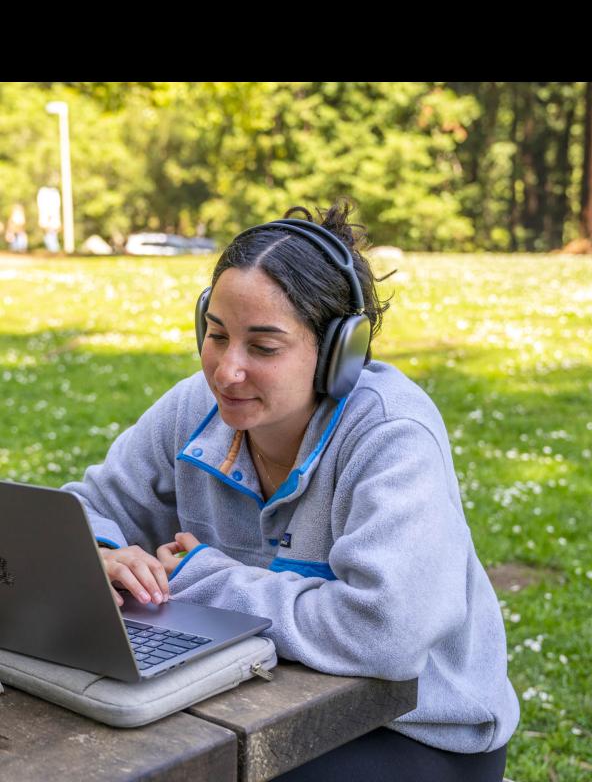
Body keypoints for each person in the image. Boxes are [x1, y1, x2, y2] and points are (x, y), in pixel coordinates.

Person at [62, 198, 519, 781]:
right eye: (216, 334)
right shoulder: (192, 409)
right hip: (262, 699)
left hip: (417, 730)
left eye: (264, 347)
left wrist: (203, 581)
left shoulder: (390, 434)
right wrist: (101, 555)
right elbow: (83, 508)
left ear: (339, 355)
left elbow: (386, 634)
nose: (228, 370)